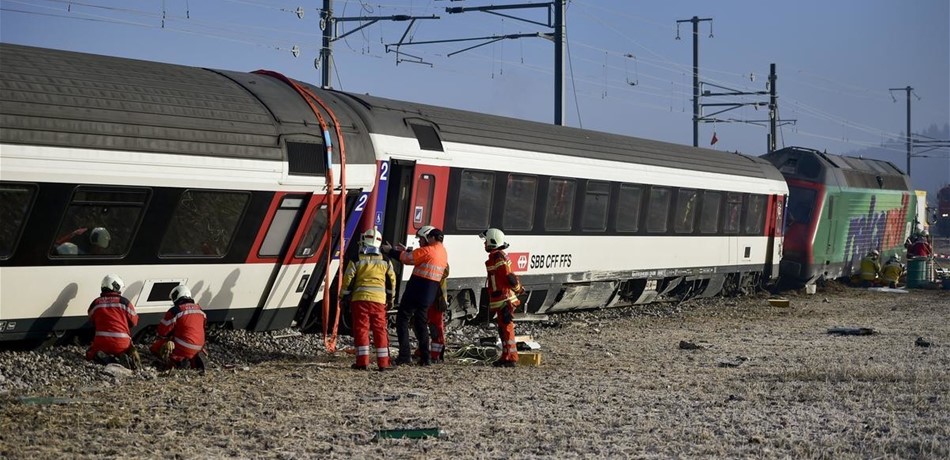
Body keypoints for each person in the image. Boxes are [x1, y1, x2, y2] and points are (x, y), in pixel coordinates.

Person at [381, 225, 448, 366]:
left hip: (417, 288)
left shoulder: (428, 250)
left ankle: (404, 355)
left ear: (430, 238)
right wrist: (406, 250)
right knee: (421, 323)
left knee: (402, 319)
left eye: (421, 239)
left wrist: (390, 251)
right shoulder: (442, 252)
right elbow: (420, 258)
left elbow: (407, 259)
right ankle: (426, 358)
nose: (419, 241)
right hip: (429, 293)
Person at [341, 228, 396, 371]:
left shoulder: (356, 259)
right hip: (379, 301)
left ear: (364, 241)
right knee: (380, 330)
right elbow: (391, 282)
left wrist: (343, 296)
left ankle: (362, 363)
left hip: (360, 300)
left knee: (361, 329)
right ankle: (383, 364)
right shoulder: (386, 260)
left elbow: (347, 279)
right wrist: (391, 299)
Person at [481, 228, 525, 368]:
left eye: (486, 241)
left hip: (505, 299)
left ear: (492, 241)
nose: (484, 244)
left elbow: (508, 277)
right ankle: (506, 356)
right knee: (502, 329)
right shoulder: (496, 256)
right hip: (501, 299)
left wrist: (518, 289)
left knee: (506, 328)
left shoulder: (498, 257)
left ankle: (511, 357)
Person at [86, 274, 141, 369]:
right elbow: (134, 322)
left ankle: (107, 360)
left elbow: (91, 320)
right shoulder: (124, 302)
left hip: (101, 343)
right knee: (129, 350)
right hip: (122, 344)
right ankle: (123, 358)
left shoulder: (96, 303)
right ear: (116, 286)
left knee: (90, 354)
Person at [150, 285, 208, 371]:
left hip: (183, 347)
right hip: (199, 347)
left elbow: (162, 332)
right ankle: (192, 361)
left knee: (156, 346)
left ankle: (174, 362)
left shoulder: (176, 310)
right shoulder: (200, 310)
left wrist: (168, 339)